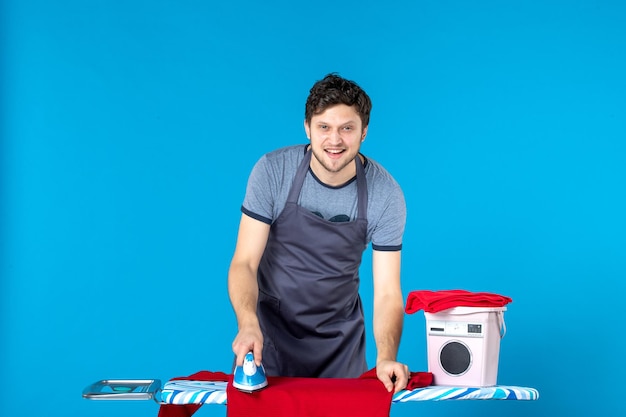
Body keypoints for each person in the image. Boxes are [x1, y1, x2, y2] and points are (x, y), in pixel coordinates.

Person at [228, 73, 409, 393]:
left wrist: (385, 357)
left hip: (341, 349)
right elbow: (244, 262)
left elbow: (387, 293)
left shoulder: (386, 193)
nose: (334, 140)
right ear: (307, 128)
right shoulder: (272, 171)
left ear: (364, 132)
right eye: (324, 127)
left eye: (347, 128)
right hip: (270, 342)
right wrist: (247, 323)